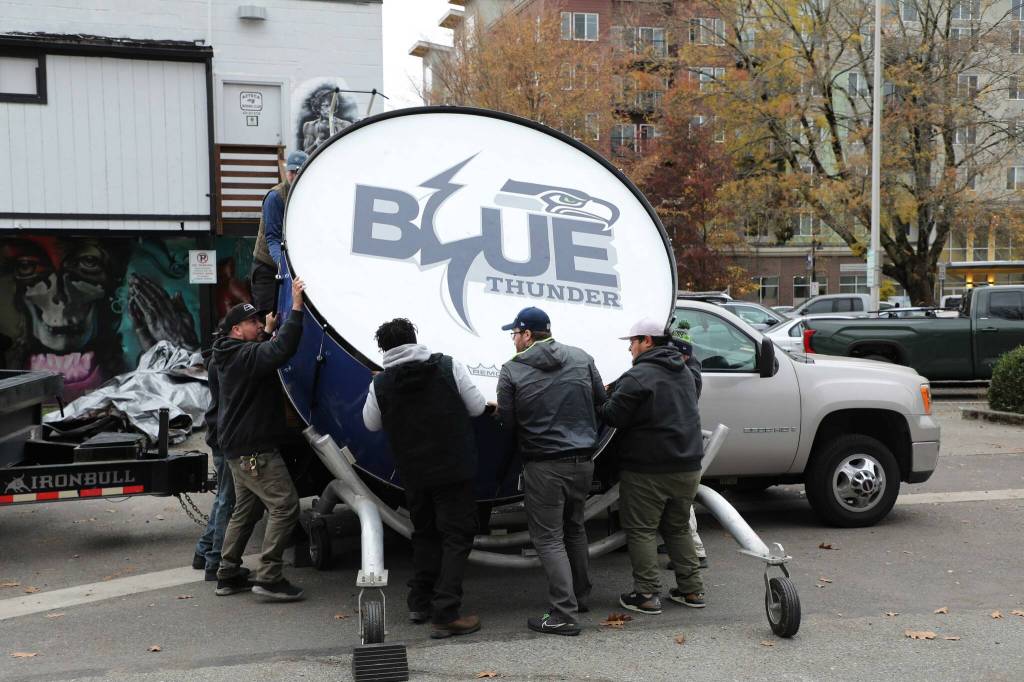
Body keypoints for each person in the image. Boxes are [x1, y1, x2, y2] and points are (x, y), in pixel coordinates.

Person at [362, 318, 488, 639]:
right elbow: (476, 408)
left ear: (383, 349)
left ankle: (420, 601)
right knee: (457, 536)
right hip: (454, 468)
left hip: (414, 473)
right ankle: (446, 613)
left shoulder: (381, 383)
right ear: (414, 338)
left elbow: (371, 424)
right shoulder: (448, 367)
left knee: (425, 533)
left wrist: (381, 386)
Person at [496, 306, 606, 637]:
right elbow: (602, 402)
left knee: (548, 537)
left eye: (514, 334)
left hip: (544, 463)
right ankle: (580, 596)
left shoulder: (511, 370)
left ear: (528, 334)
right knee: (574, 528)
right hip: (584, 460)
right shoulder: (582, 357)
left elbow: (508, 423)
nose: (513, 340)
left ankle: (563, 612)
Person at [598, 317, 705, 615]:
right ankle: (692, 590)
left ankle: (645, 594)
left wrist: (598, 395)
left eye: (632, 342)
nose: (629, 349)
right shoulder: (684, 370)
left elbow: (613, 416)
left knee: (642, 529)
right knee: (678, 526)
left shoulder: (639, 376)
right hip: (688, 464)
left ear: (647, 341)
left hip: (649, 468)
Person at [213, 277, 307, 601]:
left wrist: (266, 330)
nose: (257, 324)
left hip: (238, 448)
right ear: (236, 330)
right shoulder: (242, 356)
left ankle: (227, 572)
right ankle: (269, 576)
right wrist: (296, 308)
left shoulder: (232, 354)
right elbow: (279, 351)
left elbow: (260, 353)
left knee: (247, 510)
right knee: (285, 505)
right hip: (255, 449)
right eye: (252, 322)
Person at [190, 341, 246, 582]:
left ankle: (203, 552)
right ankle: (214, 560)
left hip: (217, 433)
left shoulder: (217, 359)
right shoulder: (228, 361)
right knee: (226, 500)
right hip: (225, 437)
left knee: (223, 498)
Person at [251, 150, 308, 315]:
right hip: (267, 267)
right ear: (286, 171)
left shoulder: (309, 195)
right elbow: (273, 238)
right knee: (267, 316)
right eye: (291, 171)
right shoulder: (275, 197)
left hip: (291, 268)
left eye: (299, 171)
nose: (294, 175)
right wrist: (284, 267)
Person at [668, 327, 707, 570]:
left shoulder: (688, 374)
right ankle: (686, 547)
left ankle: (696, 551)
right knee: (680, 502)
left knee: (682, 503)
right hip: (683, 445)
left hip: (680, 448)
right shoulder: (689, 368)